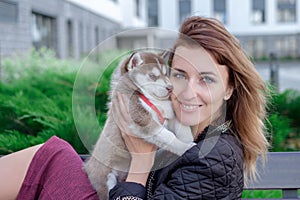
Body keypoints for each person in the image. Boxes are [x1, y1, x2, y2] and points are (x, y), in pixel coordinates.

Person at [0, 16, 269, 200]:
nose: (188, 92)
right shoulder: (193, 133)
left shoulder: (215, 158)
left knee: (53, 156)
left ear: (230, 89)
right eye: (179, 75)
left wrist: (141, 161)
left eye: (206, 79)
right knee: (53, 155)